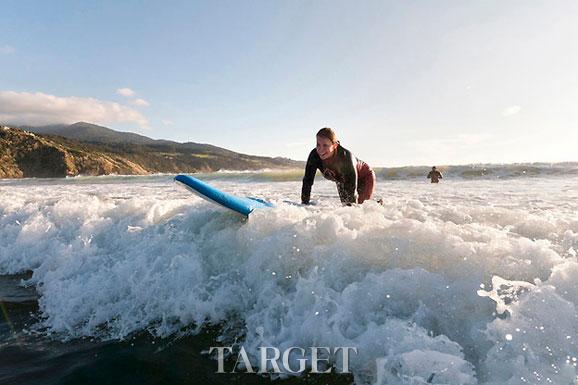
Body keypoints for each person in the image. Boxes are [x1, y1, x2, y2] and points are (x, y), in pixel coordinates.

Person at [301, 127, 376, 205]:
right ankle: (377, 204)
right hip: (342, 180)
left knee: (361, 207)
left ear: (335, 145)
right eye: (318, 145)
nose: (320, 149)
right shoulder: (314, 156)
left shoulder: (345, 158)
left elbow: (351, 193)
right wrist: (304, 205)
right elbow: (307, 181)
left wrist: (352, 208)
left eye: (325, 145)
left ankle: (378, 206)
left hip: (365, 177)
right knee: (345, 206)